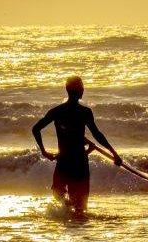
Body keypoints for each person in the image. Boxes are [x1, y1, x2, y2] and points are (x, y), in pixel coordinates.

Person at [32, 76, 122, 214]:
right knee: (80, 207)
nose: (83, 90)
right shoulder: (84, 112)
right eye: (82, 87)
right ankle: (76, 224)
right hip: (79, 162)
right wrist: (114, 154)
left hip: (64, 161)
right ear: (80, 91)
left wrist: (44, 152)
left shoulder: (57, 111)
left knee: (58, 198)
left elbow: (36, 129)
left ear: (67, 90)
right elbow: (97, 135)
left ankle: (67, 217)